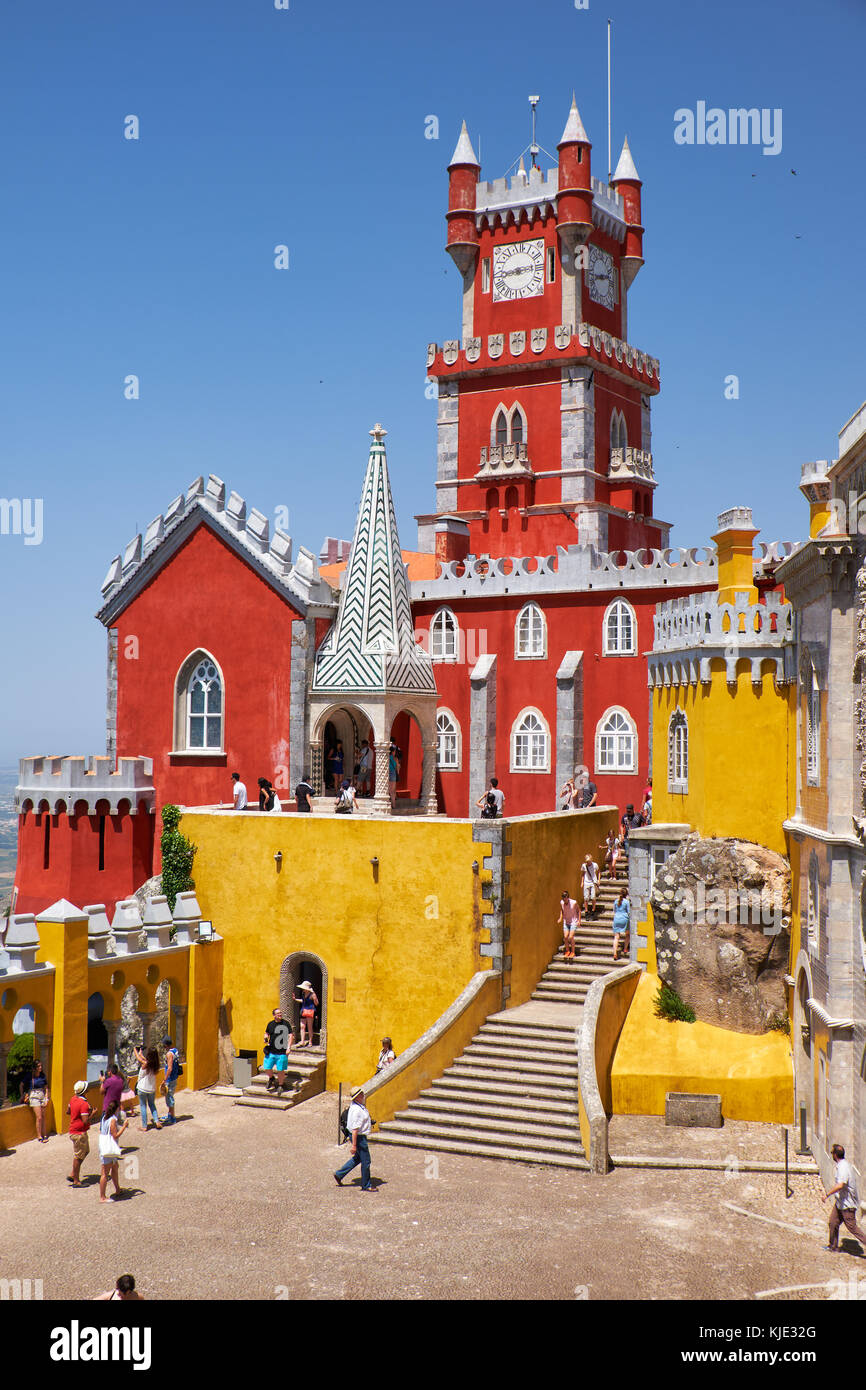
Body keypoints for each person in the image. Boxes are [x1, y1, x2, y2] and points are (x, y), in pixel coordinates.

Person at [822, 1143, 866, 1254]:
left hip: (847, 1204)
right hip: (840, 1202)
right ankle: (833, 1246)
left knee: (852, 1228)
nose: (832, 1155)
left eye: (832, 1153)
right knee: (833, 1222)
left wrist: (827, 1195)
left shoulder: (843, 1167)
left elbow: (840, 1185)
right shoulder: (842, 1165)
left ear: (835, 1155)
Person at [333, 1086, 376, 1192]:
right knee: (366, 1161)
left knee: (358, 1158)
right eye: (360, 1094)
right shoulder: (357, 1110)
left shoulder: (357, 1106)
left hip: (358, 1136)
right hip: (359, 1137)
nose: (362, 1095)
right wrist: (354, 1145)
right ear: (356, 1097)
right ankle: (366, 1184)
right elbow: (355, 1129)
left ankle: (339, 1174)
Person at [98, 1100, 129, 1203]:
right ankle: (102, 1197)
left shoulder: (104, 1117)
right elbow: (115, 1135)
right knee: (105, 1173)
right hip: (109, 1147)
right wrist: (124, 1126)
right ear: (116, 1109)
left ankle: (118, 1190)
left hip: (105, 1146)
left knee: (115, 1167)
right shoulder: (112, 1120)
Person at [66, 1080, 93, 1186]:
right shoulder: (84, 1104)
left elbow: (68, 1112)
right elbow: (85, 1120)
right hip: (79, 1133)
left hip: (73, 1130)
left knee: (85, 1151)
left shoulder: (73, 1099)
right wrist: (92, 1113)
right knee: (78, 1156)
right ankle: (76, 1180)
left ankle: (74, 1173)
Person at [263, 1007, 293, 1093]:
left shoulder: (286, 1024)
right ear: (274, 1015)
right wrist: (265, 1037)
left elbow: (290, 1035)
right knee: (267, 1067)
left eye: (280, 1013)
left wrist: (289, 1047)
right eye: (278, 1013)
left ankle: (280, 1085)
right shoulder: (270, 1024)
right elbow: (266, 1033)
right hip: (271, 1051)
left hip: (282, 1052)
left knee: (280, 1070)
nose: (280, 1014)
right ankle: (271, 1078)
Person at [133, 1045, 162, 1131]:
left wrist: (135, 1049)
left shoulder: (146, 1063)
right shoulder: (155, 1064)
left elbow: (139, 1058)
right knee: (152, 1105)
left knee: (143, 1106)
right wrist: (141, 1053)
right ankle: (157, 1121)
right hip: (151, 1088)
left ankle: (144, 1126)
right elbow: (143, 1058)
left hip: (142, 1088)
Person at [160, 1035, 181, 1125]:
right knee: (169, 1096)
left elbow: (169, 1068)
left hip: (170, 1078)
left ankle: (172, 1117)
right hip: (174, 1077)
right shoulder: (175, 1050)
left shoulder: (169, 1054)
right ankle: (170, 1114)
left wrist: (164, 1079)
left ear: (166, 1045)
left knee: (169, 1097)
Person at [28, 1059, 50, 1142]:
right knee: (39, 1117)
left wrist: (46, 1098)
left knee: (43, 1117)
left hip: (42, 1095)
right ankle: (39, 1136)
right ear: (35, 1067)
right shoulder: (30, 1076)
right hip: (34, 1096)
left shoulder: (42, 1075)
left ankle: (44, 1134)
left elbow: (46, 1087)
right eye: (39, 1066)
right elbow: (21, 1084)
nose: (40, 1067)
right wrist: (23, 1094)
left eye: (41, 1066)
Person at [294, 982, 318, 1047]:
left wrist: (315, 998)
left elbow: (316, 1003)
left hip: (310, 1011)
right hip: (303, 1011)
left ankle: (310, 1042)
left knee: (309, 1027)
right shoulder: (303, 993)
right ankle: (302, 1041)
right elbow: (303, 1001)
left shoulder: (312, 994)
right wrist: (295, 999)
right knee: (302, 1026)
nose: (303, 989)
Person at [558, 891, 580, 962]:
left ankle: (573, 952)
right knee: (565, 937)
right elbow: (562, 910)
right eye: (563, 899)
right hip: (566, 921)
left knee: (570, 937)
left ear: (568, 897)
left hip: (573, 921)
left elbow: (578, 910)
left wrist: (579, 920)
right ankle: (567, 951)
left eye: (565, 898)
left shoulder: (574, 902)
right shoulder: (561, 902)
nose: (564, 900)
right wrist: (560, 918)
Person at [612, 888, 630, 961]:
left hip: (616, 918)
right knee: (627, 934)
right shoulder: (627, 902)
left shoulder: (616, 901)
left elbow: (614, 910)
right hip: (624, 918)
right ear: (626, 894)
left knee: (616, 937)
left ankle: (615, 953)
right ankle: (625, 949)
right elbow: (628, 912)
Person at [388, 742, 400, 809]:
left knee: (388, 790)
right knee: (393, 790)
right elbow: (397, 767)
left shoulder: (386, 757)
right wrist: (397, 773)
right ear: (393, 751)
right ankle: (393, 805)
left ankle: (388, 803)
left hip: (387, 773)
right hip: (393, 774)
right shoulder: (395, 758)